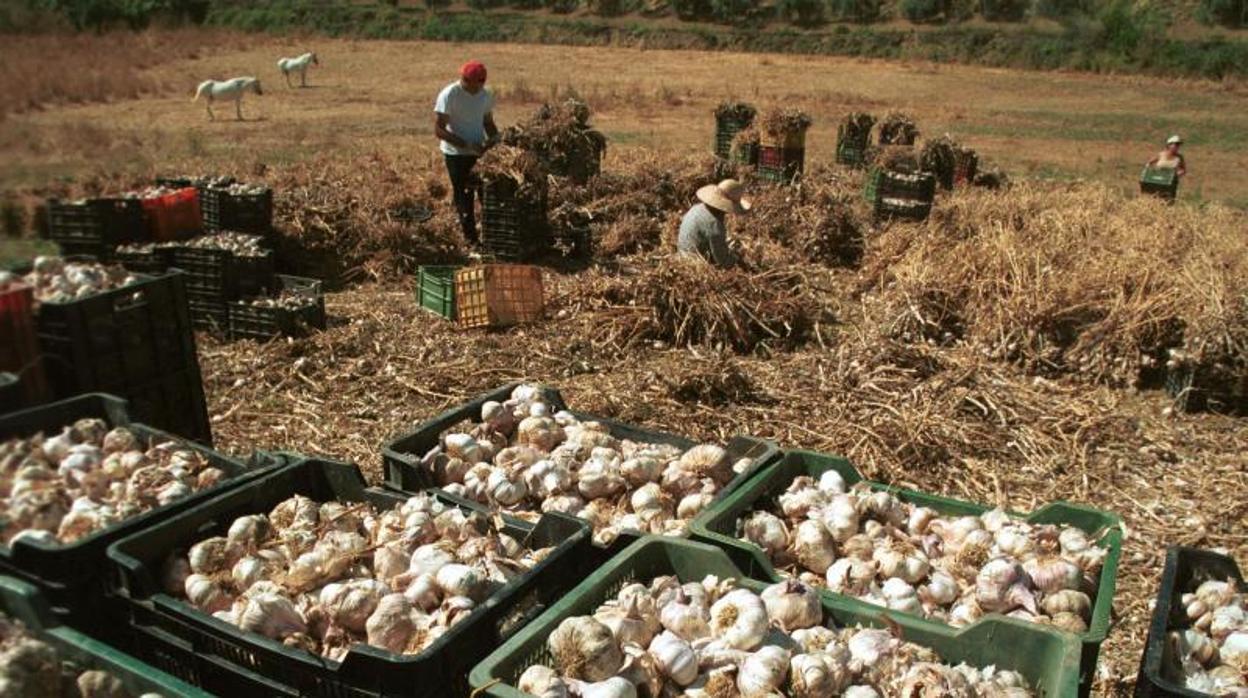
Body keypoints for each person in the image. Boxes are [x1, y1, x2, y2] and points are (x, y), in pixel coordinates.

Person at [434, 60, 499, 245]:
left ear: (480, 82)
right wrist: (465, 145)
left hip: (478, 153)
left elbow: (488, 122)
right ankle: (471, 240)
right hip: (455, 154)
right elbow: (439, 130)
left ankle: (492, 238)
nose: (463, 81)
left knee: (486, 195)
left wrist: (496, 140)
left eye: (467, 79)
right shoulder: (450, 94)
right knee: (464, 196)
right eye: (463, 78)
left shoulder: (485, 96)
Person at [676, 179, 753, 268]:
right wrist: (737, 259)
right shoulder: (714, 224)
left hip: (681, 254)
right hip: (694, 265)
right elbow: (723, 261)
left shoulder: (696, 208)